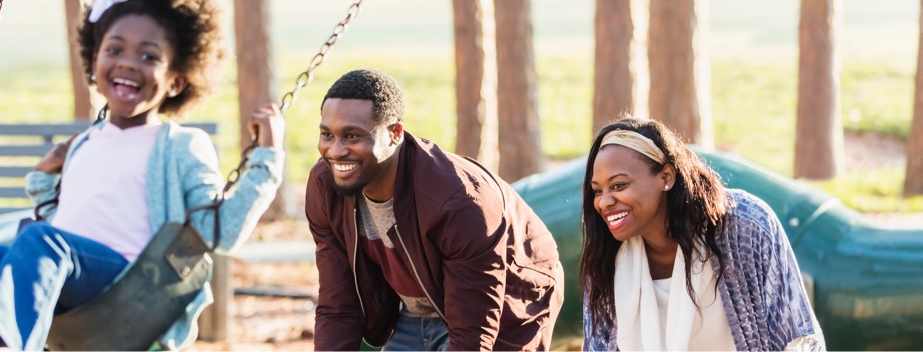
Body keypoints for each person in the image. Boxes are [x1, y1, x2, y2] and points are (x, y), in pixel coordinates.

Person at [0, 0, 285, 350]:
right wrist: (43, 180)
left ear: (177, 79)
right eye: (115, 49)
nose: (128, 62)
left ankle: (1, 346)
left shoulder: (179, 144)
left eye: (148, 56)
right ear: (95, 62)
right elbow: (70, 219)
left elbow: (220, 231)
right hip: (72, 286)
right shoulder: (84, 144)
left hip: (133, 291)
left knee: (39, 241)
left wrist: (266, 158)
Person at [306, 68, 563, 351]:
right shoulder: (326, 187)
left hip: (508, 294)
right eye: (327, 135)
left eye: (352, 136)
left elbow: (472, 338)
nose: (336, 151)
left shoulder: (458, 201)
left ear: (395, 133)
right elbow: (337, 306)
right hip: (415, 309)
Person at [580, 117, 825, 350]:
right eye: (597, 191)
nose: (604, 202)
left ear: (666, 177)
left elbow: (799, 340)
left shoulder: (746, 228)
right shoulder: (605, 260)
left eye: (619, 185)